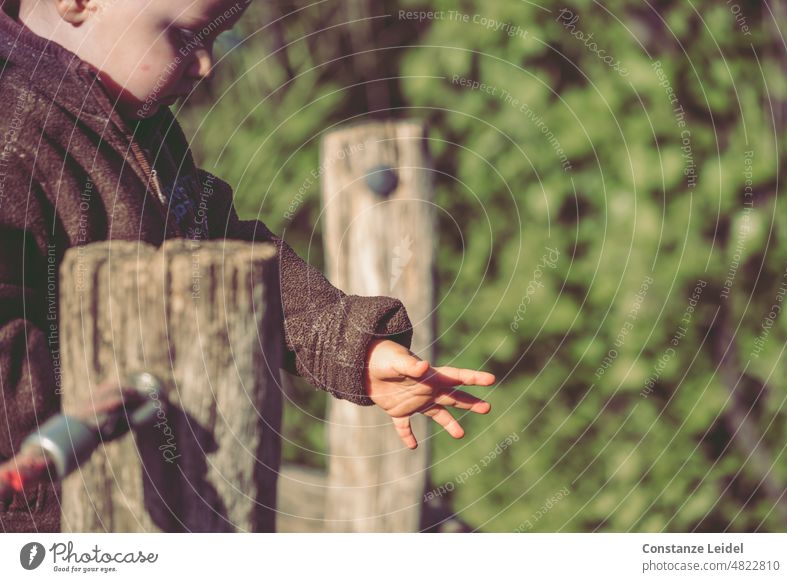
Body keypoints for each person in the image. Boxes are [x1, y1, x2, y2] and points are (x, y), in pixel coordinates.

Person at [0, 0, 496, 532]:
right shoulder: (15, 143)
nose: (205, 65)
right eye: (187, 37)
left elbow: (225, 252)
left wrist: (354, 344)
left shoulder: (146, 132)